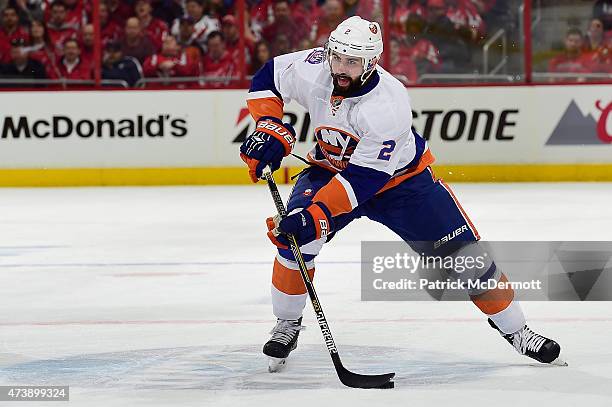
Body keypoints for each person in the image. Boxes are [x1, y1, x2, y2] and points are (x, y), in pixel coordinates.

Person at [239, 15, 565, 372]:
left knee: (466, 259)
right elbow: (268, 77)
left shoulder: (388, 103)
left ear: (371, 63)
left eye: (353, 62)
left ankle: (517, 330)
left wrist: (316, 215)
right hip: (329, 170)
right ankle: (287, 324)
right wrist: (268, 125)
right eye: (337, 57)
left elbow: (364, 180)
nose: (341, 68)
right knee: (294, 243)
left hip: (401, 185)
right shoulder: (315, 66)